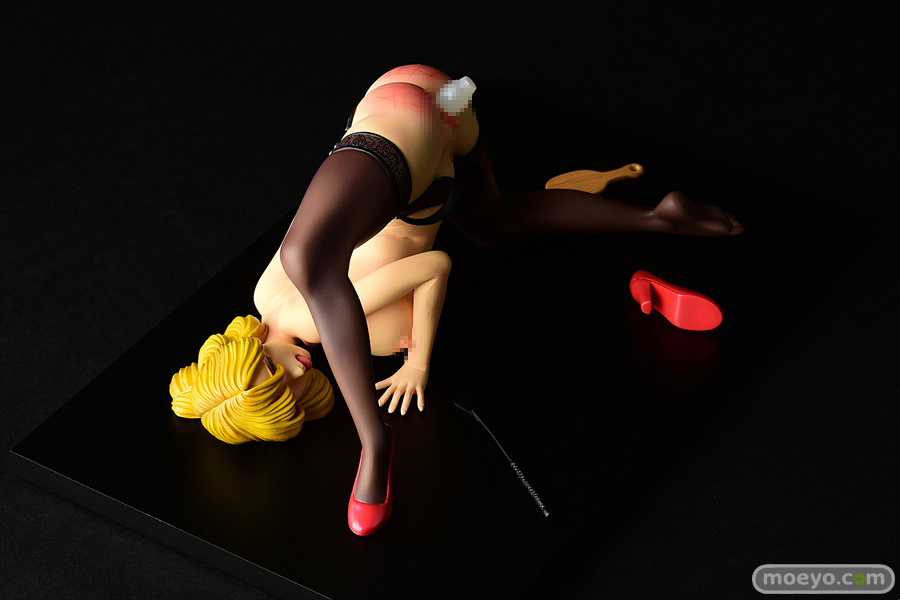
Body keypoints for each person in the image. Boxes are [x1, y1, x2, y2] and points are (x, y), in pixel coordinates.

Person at [176, 63, 743, 536]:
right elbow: (397, 257)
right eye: (292, 397)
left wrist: (416, 362)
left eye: (277, 375)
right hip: (418, 112)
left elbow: (431, 266)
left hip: (406, 140)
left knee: (308, 259)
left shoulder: (312, 319)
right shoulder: (263, 295)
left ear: (252, 353)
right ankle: (660, 216)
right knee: (500, 223)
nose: (300, 374)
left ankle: (374, 442)